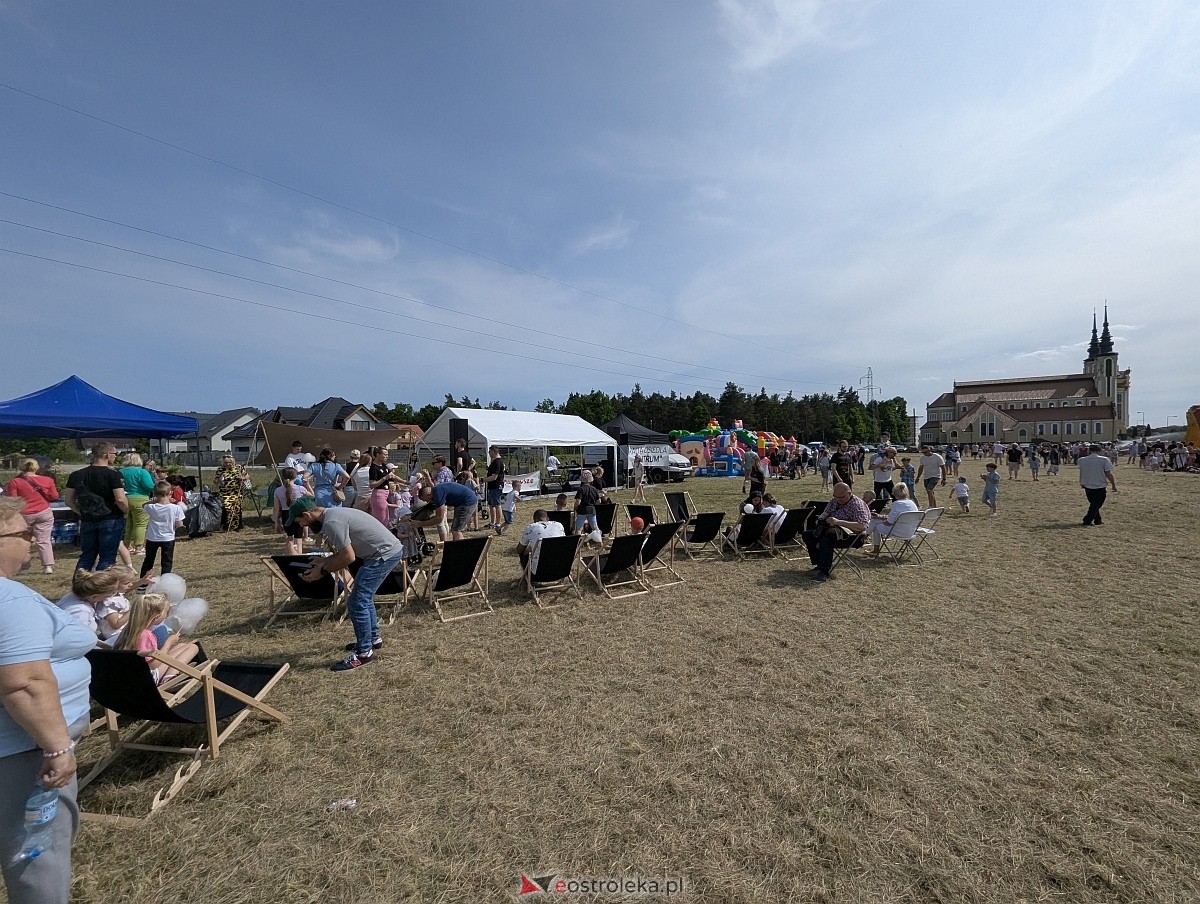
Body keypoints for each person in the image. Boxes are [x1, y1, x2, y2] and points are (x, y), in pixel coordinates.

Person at [0, 496, 96, 904]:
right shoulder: (12, 601)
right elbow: (25, 683)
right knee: (37, 854)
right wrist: (57, 746)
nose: (35, 539)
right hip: (27, 749)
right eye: (25, 533)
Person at [288, 497, 406, 670]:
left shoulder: (332, 522)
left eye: (301, 522)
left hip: (383, 555)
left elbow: (348, 557)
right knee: (363, 598)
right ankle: (373, 639)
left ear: (307, 514)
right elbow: (346, 552)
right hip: (385, 552)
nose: (301, 526)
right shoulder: (333, 515)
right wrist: (323, 562)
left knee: (357, 602)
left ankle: (364, 653)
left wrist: (321, 571)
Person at [64, 441, 129, 572]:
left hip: (88, 518)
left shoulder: (76, 475)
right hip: (111, 517)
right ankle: (102, 588)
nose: (116, 456)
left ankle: (80, 586)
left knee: (87, 556)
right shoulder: (113, 475)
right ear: (106, 454)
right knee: (107, 557)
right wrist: (126, 511)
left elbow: (68, 500)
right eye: (115, 454)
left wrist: (80, 511)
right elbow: (120, 499)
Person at [112, 592, 200, 686]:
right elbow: (153, 665)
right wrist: (168, 642)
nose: (166, 616)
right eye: (166, 612)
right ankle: (169, 679)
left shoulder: (128, 630)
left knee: (182, 646)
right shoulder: (146, 635)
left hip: (130, 674)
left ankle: (169, 676)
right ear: (157, 617)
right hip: (147, 678)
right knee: (193, 647)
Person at [801, 483, 870, 583]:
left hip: (854, 536)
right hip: (832, 531)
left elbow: (862, 526)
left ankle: (824, 572)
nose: (838, 500)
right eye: (836, 497)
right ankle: (819, 563)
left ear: (849, 493)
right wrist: (821, 519)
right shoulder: (835, 501)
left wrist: (838, 522)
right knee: (808, 535)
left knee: (826, 541)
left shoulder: (857, 505)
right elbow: (826, 512)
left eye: (841, 497)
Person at [4, 458, 59, 575]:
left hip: (24, 514)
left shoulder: (15, 482)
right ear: (36, 467)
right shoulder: (48, 480)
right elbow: (54, 496)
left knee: (23, 540)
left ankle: (24, 566)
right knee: (44, 540)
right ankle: (48, 566)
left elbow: (12, 500)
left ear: (20, 467)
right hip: (44, 512)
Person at [140, 482, 187, 582]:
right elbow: (179, 524)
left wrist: (152, 501)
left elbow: (143, 505)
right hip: (168, 538)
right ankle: (165, 582)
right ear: (170, 493)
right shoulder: (176, 508)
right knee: (166, 561)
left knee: (148, 560)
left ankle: (143, 583)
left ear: (155, 494)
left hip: (152, 537)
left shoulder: (151, 507)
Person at [410, 480, 480, 542]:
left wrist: (421, 523)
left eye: (425, 500)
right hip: (464, 501)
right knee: (456, 529)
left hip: (467, 502)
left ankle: (459, 552)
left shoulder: (438, 494)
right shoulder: (436, 490)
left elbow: (439, 519)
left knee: (456, 530)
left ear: (428, 495)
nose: (427, 501)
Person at [119, 452, 156, 554]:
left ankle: (126, 546)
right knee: (140, 524)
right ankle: (139, 547)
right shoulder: (142, 472)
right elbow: (149, 486)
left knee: (128, 524)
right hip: (140, 499)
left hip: (124, 498)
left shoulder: (120, 472)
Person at [866, 483, 920, 553]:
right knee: (876, 521)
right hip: (911, 531)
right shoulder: (912, 503)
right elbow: (898, 518)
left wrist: (881, 519)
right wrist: (881, 517)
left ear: (894, 494)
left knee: (875, 524)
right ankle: (865, 536)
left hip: (898, 531)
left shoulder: (897, 504)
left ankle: (865, 538)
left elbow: (889, 523)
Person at [273, 467, 311, 555]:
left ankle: (291, 555)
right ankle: (298, 557)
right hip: (298, 515)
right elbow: (312, 496)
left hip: (285, 515)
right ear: (295, 477)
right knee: (299, 539)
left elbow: (276, 508)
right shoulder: (300, 488)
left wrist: (276, 522)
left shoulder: (278, 490)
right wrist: (307, 485)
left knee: (290, 538)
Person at [1077, 444, 1118, 526]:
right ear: (1099, 450)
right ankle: (1087, 520)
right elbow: (1108, 473)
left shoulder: (1081, 460)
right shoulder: (1104, 460)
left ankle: (1098, 520)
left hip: (1087, 484)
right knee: (1096, 504)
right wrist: (1113, 484)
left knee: (1093, 503)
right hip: (1100, 484)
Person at [213, 454, 251, 532]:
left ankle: (237, 525)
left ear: (233, 462)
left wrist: (242, 478)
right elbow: (215, 481)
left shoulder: (239, 468)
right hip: (225, 492)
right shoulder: (220, 469)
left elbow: (247, 476)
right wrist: (219, 480)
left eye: (230, 462)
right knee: (227, 508)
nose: (228, 464)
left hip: (236, 492)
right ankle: (226, 525)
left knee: (237, 508)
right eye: (226, 463)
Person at [367, 448, 394, 526]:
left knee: (385, 518)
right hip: (378, 495)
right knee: (381, 520)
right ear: (378, 454)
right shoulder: (373, 468)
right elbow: (372, 484)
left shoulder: (384, 465)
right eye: (385, 454)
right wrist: (385, 478)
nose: (387, 456)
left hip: (385, 495)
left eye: (387, 454)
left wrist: (405, 482)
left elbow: (392, 476)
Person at [484, 446, 505, 533]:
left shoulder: (497, 462)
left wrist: (483, 479)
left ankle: (497, 523)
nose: (489, 454)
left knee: (497, 504)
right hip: (492, 486)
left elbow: (494, 477)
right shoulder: (496, 462)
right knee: (491, 504)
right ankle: (492, 522)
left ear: (493, 451)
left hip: (496, 485)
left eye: (490, 452)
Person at [574, 469, 600, 535]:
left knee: (579, 528)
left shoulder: (581, 489)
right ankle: (599, 542)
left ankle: (578, 543)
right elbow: (598, 501)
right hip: (591, 510)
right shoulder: (594, 489)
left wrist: (575, 507)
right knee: (595, 528)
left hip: (582, 510)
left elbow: (578, 502)